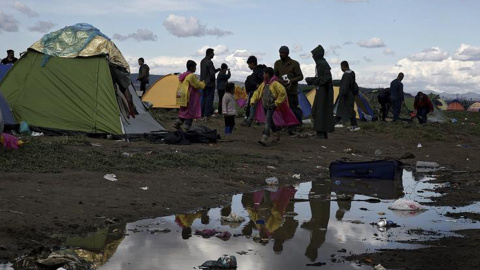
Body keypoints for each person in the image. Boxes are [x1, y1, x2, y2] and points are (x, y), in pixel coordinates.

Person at [250, 67, 298, 146]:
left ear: (267, 74)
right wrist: (253, 101)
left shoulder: (275, 84)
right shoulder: (264, 84)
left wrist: (276, 103)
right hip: (265, 105)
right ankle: (276, 133)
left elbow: (282, 92)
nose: (263, 75)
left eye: (264, 73)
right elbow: (257, 92)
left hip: (271, 105)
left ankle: (264, 137)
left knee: (267, 120)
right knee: (270, 121)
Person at [305, 45, 334, 139]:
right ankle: (323, 132)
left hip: (324, 91)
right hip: (322, 90)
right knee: (319, 111)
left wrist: (313, 81)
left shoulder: (322, 64)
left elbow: (326, 78)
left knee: (319, 111)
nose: (313, 57)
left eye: (314, 55)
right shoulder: (321, 64)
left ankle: (320, 133)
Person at [274, 46, 304, 134]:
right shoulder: (277, 63)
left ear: (287, 53)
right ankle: (282, 125)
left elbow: (301, 76)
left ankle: (293, 126)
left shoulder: (294, 64)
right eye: (280, 52)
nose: (281, 54)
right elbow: (275, 76)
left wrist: (291, 81)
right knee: (281, 109)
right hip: (281, 92)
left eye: (283, 53)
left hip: (292, 91)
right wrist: (280, 81)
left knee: (292, 108)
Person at [173, 60, 206, 131]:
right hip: (190, 96)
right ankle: (186, 128)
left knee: (184, 111)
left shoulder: (183, 75)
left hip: (182, 96)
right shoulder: (191, 76)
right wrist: (203, 83)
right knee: (191, 112)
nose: (195, 69)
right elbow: (197, 85)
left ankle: (177, 123)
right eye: (194, 67)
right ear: (191, 67)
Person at [336, 61, 360, 131]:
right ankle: (352, 124)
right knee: (350, 109)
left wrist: (342, 94)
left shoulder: (346, 75)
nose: (341, 69)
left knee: (343, 109)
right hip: (351, 94)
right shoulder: (352, 73)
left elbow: (344, 86)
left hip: (346, 95)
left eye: (341, 67)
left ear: (343, 66)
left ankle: (354, 124)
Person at [243, 56, 266, 126]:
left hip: (257, 92)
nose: (248, 66)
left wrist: (258, 85)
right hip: (263, 91)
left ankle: (249, 121)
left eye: (249, 64)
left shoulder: (257, 71)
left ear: (252, 63)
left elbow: (261, 79)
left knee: (252, 106)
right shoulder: (261, 69)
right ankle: (256, 120)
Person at [200, 48, 220, 120]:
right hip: (209, 84)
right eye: (213, 53)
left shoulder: (202, 61)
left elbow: (208, 71)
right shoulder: (209, 62)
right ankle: (207, 114)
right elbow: (211, 73)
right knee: (209, 99)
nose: (214, 54)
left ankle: (201, 113)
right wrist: (212, 81)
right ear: (209, 53)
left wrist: (217, 70)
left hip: (203, 82)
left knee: (203, 98)